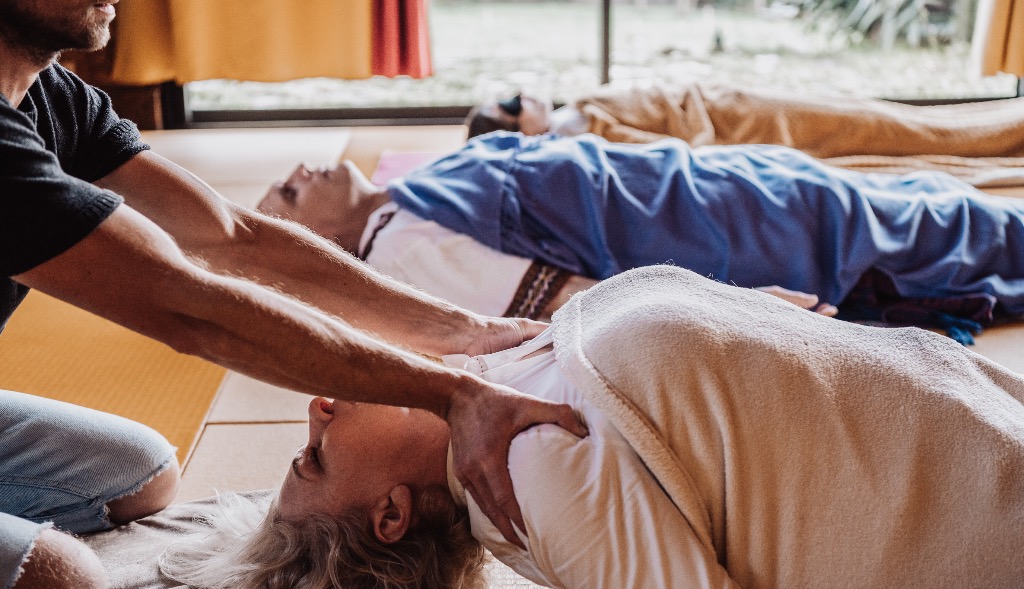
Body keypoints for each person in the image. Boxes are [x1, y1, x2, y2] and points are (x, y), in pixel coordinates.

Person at [0, 0, 585, 589]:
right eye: (315, 451)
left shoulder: (44, 91)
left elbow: (232, 235)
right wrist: (452, 391)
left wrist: (467, 328)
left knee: (144, 474)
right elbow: (192, 309)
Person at [163, 265, 1024, 589]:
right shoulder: (534, 473)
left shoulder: (501, 361)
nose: (317, 405)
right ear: (390, 515)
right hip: (961, 524)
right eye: (316, 457)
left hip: (969, 415)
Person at [258, 131, 1024, 342]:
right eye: (291, 192)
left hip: (718, 189)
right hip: (742, 232)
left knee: (937, 206)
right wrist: (745, 310)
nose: (301, 167)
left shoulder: (404, 198)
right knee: (963, 232)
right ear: (314, 249)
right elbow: (578, 305)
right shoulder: (400, 254)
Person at [465, 83, 1024, 166]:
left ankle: (1002, 125)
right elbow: (672, 150)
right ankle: (1008, 131)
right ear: (518, 130)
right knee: (891, 131)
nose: (528, 94)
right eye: (515, 100)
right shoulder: (578, 138)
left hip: (738, 100)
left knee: (892, 121)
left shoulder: (573, 115)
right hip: (753, 123)